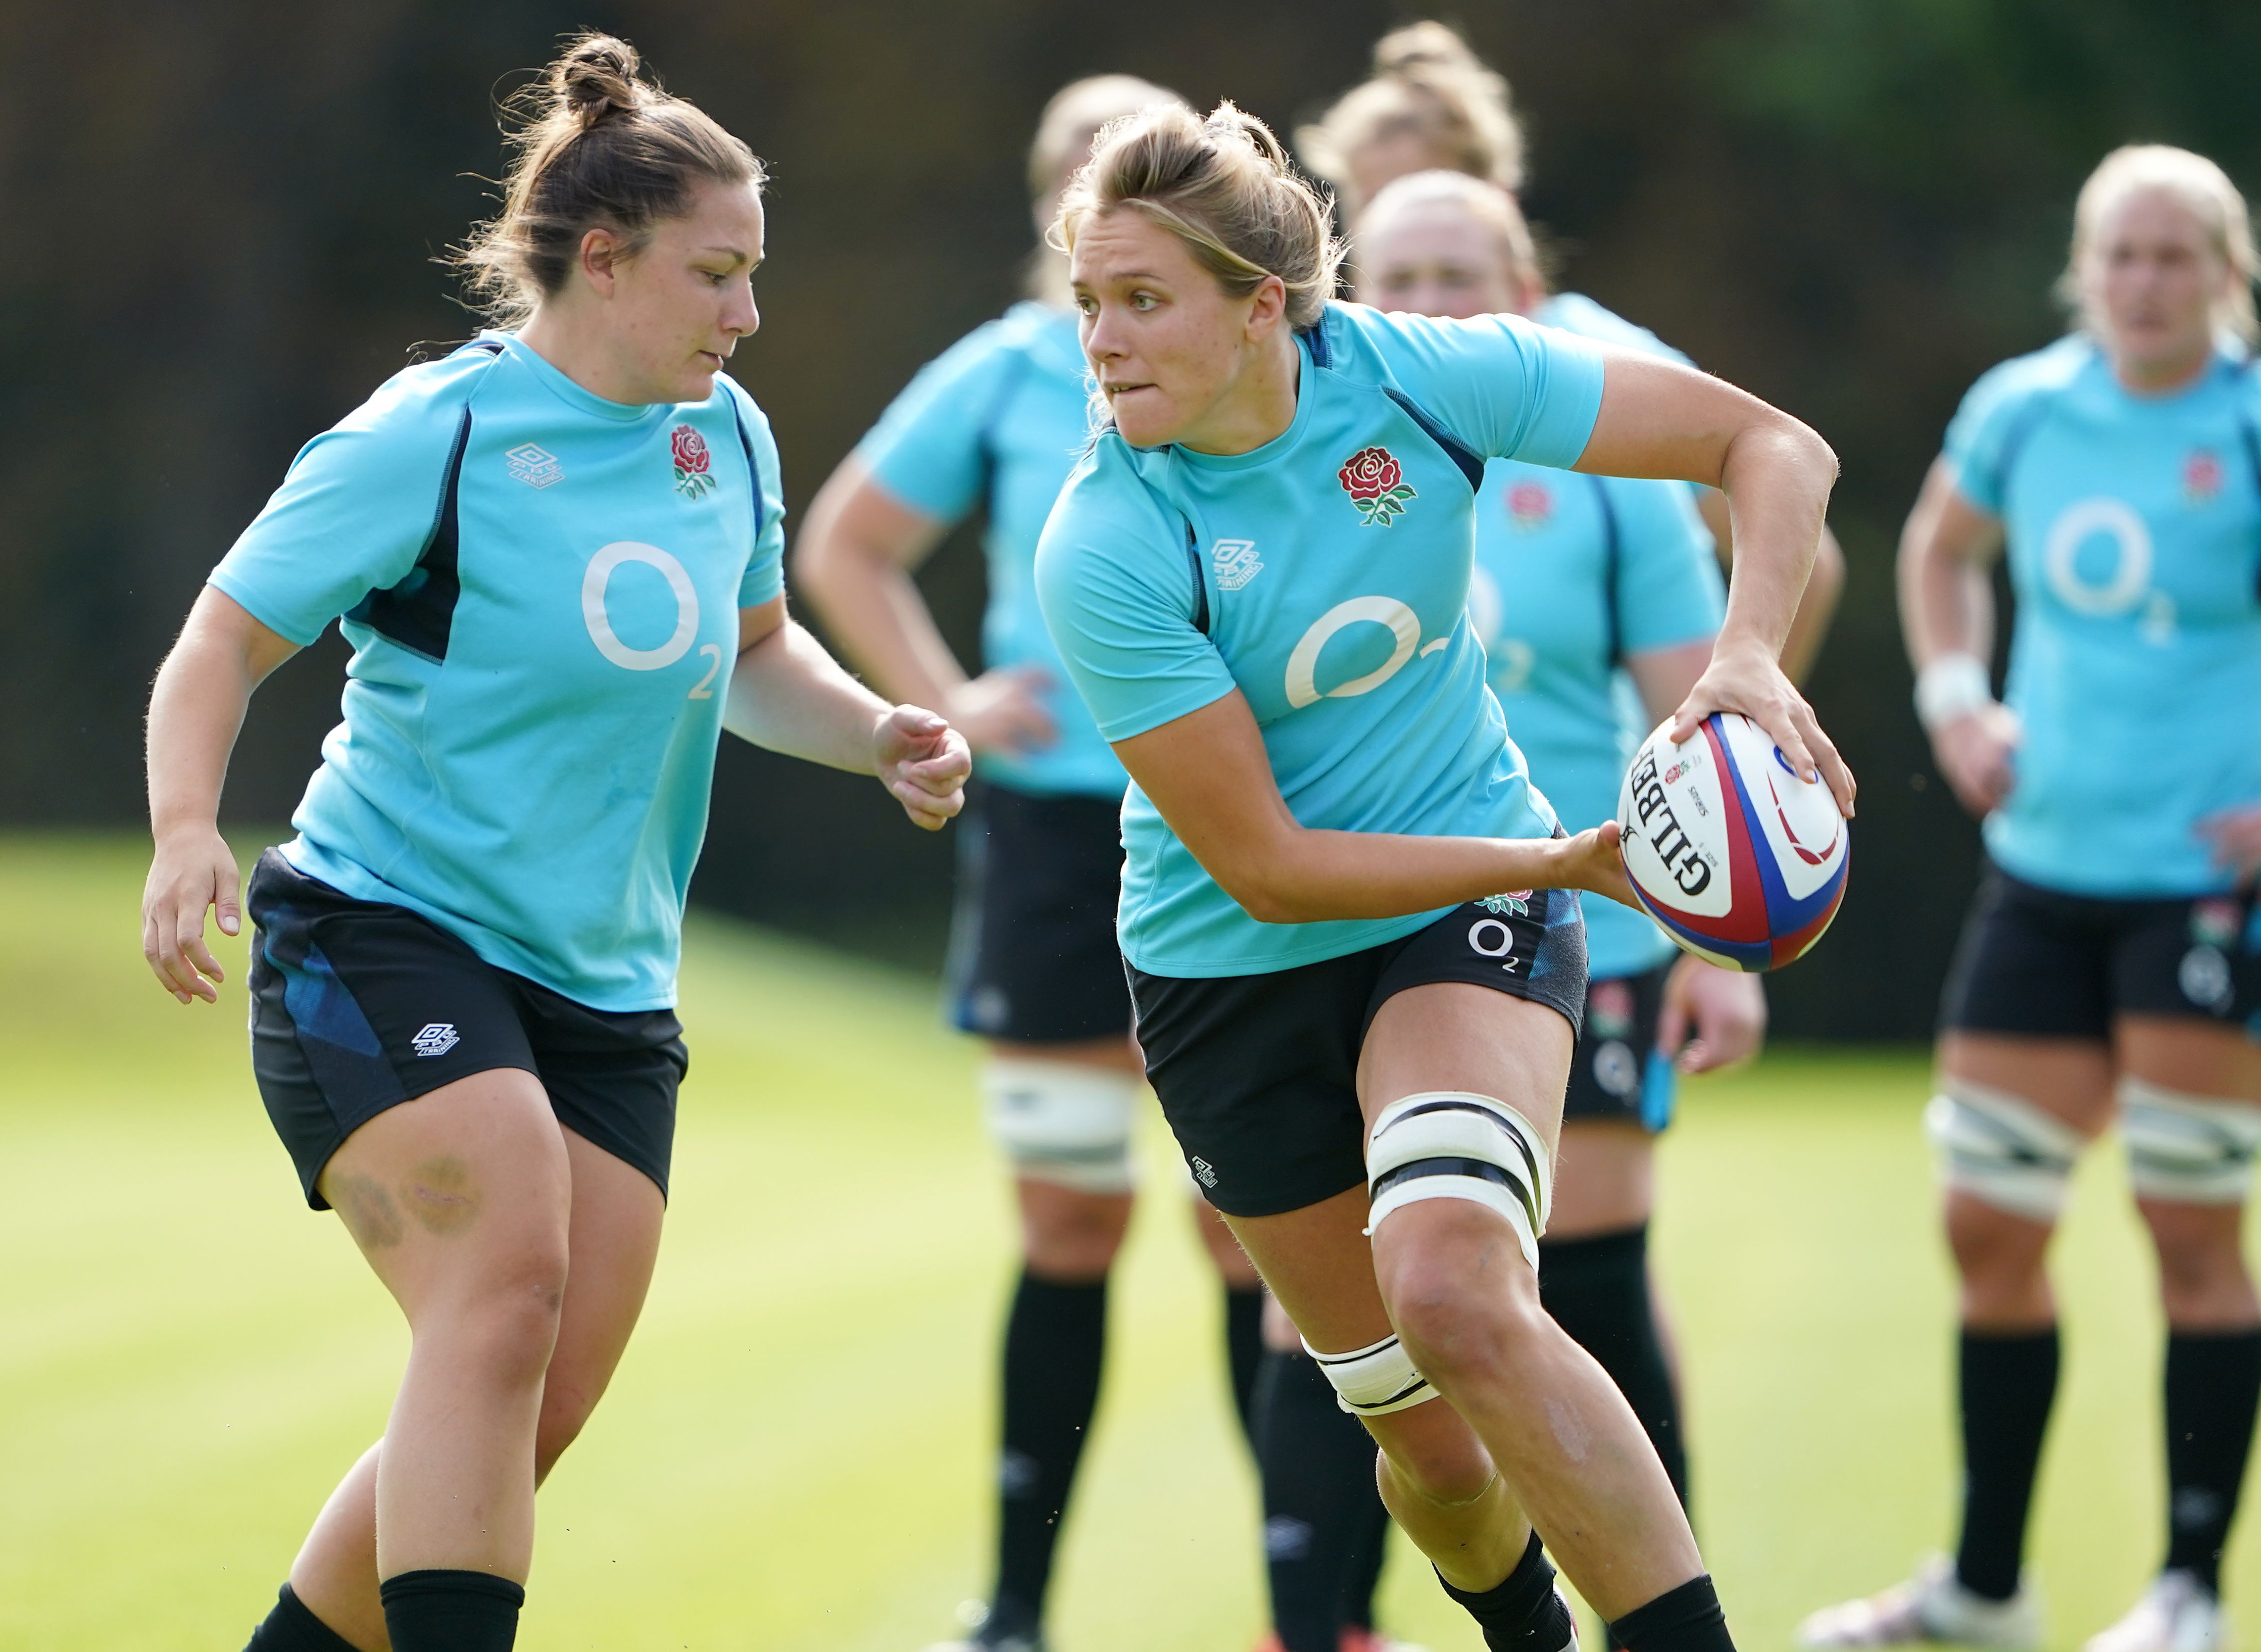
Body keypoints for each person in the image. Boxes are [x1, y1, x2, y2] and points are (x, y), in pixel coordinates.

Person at [137, 36, 970, 1652]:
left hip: (608, 990)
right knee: (503, 1279)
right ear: (603, 260)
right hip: (378, 933)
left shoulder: (721, 437)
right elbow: (216, 645)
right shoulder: (430, 435)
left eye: (753, 275)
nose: (745, 313)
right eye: (715, 274)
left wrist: (873, 730)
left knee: (526, 1400)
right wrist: (184, 831)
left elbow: (751, 654)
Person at [1037, 100, 1850, 1652]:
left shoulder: (1416, 378)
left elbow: (1770, 446)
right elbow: (1270, 868)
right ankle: (1518, 1629)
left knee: (1456, 1286)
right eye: (1088, 302)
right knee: (1423, 1442)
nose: (1100, 340)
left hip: (1456, 906)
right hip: (1226, 978)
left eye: (1139, 300)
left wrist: (1743, 656)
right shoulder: (1103, 539)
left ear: (1258, 305)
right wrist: (1574, 857)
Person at [1796, 145, 2261, 1652]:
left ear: (2225, 275)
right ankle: (1984, 1589)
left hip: (2208, 898)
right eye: (2116, 254)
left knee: (2187, 1236)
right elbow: (1936, 547)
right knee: (1985, 1227)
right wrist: (1949, 699)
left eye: (2173, 255)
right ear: (2080, 267)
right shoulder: (2024, 410)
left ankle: (2189, 1591)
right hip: (2042, 881)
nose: (2140, 282)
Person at [1233, 167, 1764, 1652]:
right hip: (1309, 929)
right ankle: (1316, 1621)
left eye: (1463, 272)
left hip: (1567, 908)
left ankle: (1647, 1610)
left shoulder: (1599, 482)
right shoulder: (1280, 452)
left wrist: (1726, 939)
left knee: (1564, 1281)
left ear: (1525, 301)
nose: (1431, 300)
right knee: (1335, 1321)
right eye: (1398, 272)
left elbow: (1693, 712)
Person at [791, 74, 1270, 1652]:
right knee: (1067, 1224)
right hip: (1054, 836)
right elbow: (844, 542)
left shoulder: (1262, 374)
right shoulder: (1004, 373)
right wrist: (941, 706)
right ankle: (1014, 1614)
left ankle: (1308, 1610)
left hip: (1224, 824)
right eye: (1077, 175)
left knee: (1248, 1228)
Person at [1293, 19, 1844, 681]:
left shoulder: (1600, 359)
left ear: (1497, 202)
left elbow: (1802, 556)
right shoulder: (1318, 379)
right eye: (1374, 208)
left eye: (1430, 195)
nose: (1408, 229)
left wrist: (1732, 720)